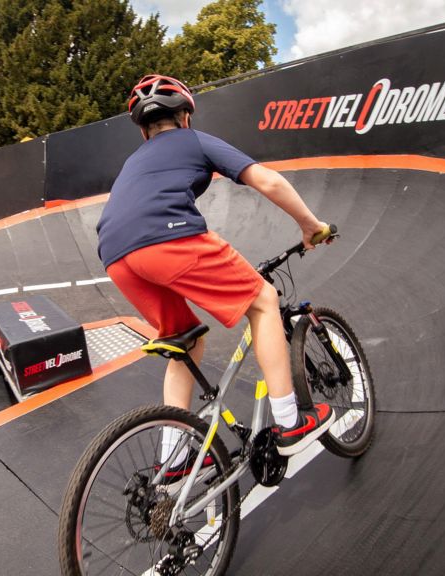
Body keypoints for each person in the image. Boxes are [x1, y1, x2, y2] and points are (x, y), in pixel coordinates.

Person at [96, 75, 335, 460]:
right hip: (168, 239)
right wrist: (311, 226)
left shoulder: (134, 161)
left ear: (143, 131)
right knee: (263, 299)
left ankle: (173, 460)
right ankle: (291, 423)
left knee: (184, 341)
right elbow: (268, 182)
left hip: (116, 256)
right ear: (186, 116)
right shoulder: (193, 140)